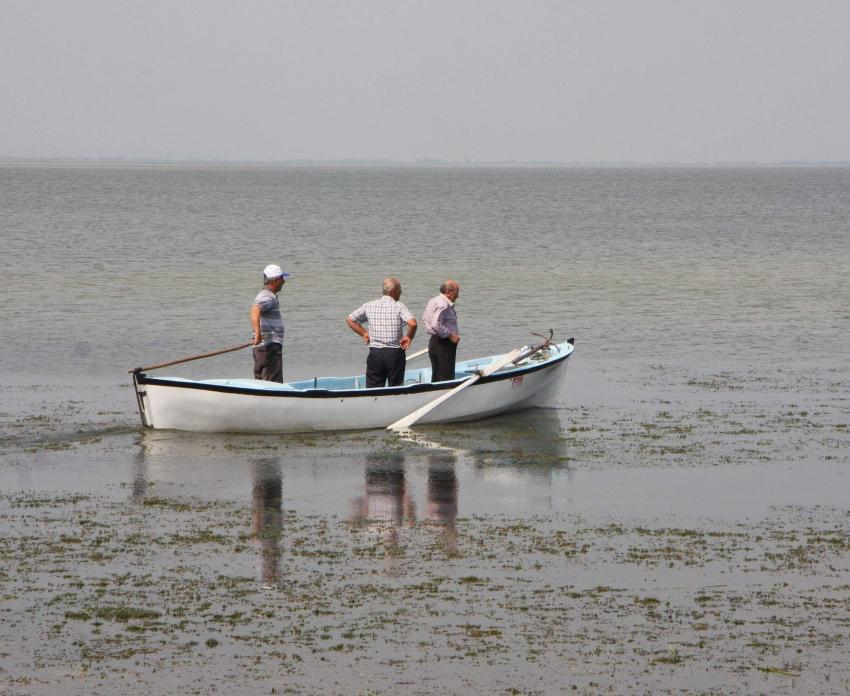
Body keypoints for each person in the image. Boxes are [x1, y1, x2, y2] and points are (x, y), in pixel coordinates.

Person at [346, 277, 417, 388]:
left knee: (373, 390)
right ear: (393, 291)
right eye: (400, 290)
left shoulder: (369, 305)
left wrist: (364, 333)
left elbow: (350, 320)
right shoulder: (399, 306)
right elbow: (412, 323)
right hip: (395, 354)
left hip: (375, 353)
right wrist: (409, 337)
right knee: (395, 389)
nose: (401, 292)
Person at [250, 264, 289, 382]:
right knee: (272, 384)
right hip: (269, 348)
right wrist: (258, 333)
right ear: (276, 280)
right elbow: (255, 310)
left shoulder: (267, 296)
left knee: (263, 382)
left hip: (266, 348)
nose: (284, 282)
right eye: (282, 278)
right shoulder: (268, 296)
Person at [422, 279, 460, 382]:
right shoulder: (444, 304)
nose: (458, 296)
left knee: (436, 374)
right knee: (445, 377)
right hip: (444, 344)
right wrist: (450, 335)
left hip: (434, 341)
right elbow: (435, 324)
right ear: (448, 292)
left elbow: (424, 319)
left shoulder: (433, 301)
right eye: (456, 292)